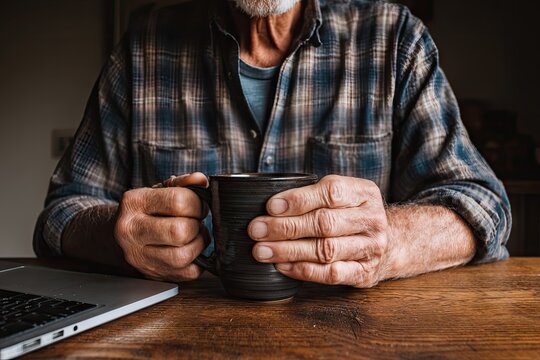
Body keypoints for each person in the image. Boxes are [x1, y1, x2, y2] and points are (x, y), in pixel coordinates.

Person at [34, 0, 511, 288]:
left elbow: (483, 206)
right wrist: (119, 236)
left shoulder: (393, 40)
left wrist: (389, 243)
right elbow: (60, 215)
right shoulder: (146, 44)